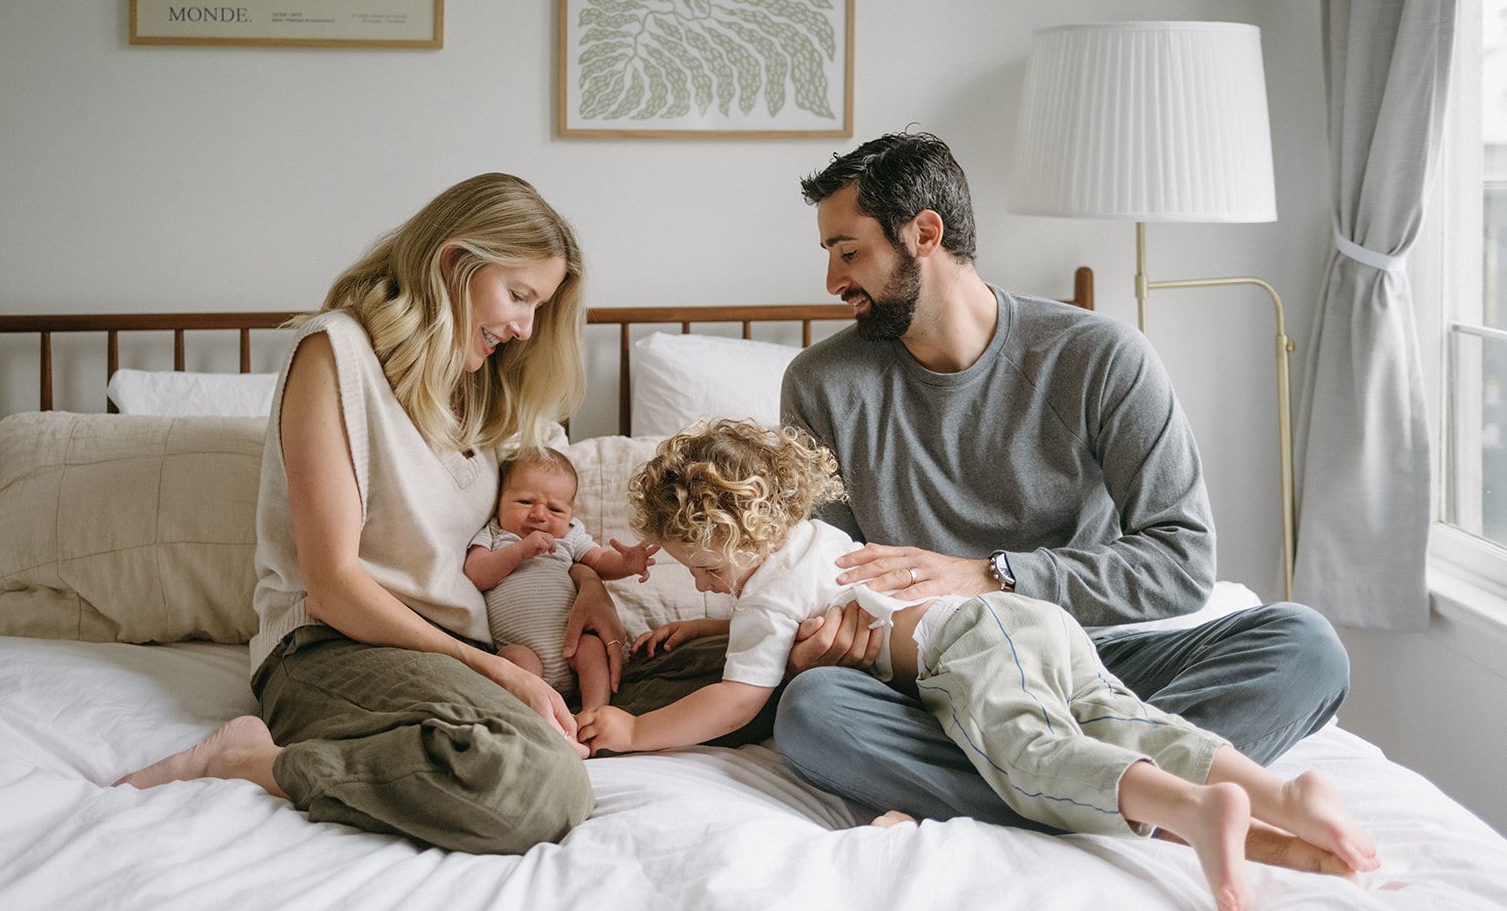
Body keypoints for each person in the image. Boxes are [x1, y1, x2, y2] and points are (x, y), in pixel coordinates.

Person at [772, 131, 1353, 848]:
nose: (833, 280)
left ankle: (1056, 787)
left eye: (849, 251)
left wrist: (992, 576)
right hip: (937, 675)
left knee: (1307, 646)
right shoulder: (818, 385)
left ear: (925, 232)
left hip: (1093, 664)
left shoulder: (1102, 356)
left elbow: (1182, 560)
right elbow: (828, 571)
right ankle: (1146, 795)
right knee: (813, 709)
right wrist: (822, 639)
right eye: (829, 254)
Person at [578, 419, 1378, 911]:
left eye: (705, 568)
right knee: (1124, 718)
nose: (706, 585)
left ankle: (1192, 812)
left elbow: (733, 701)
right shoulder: (812, 541)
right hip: (1034, 626)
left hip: (969, 649)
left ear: (740, 540)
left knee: (1037, 747)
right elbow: (776, 624)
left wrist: (635, 728)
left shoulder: (763, 599)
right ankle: (1279, 794)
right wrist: (710, 628)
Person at [115, 173, 626, 853]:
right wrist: (499, 672)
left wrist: (591, 585)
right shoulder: (334, 353)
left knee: (728, 668)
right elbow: (332, 586)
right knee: (540, 784)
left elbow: (550, 517)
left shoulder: (482, 385)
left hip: (460, 653)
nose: (525, 327)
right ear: (454, 263)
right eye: (519, 296)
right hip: (332, 646)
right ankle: (250, 761)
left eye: (539, 307)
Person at [465, 448, 657, 710]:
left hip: (573, 643)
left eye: (554, 509)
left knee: (591, 648)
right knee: (513, 661)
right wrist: (520, 551)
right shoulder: (495, 534)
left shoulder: (569, 535)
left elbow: (599, 561)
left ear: (570, 513)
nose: (539, 515)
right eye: (524, 502)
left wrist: (626, 563)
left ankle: (594, 712)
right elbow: (476, 573)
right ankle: (541, 715)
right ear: (499, 500)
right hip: (523, 651)